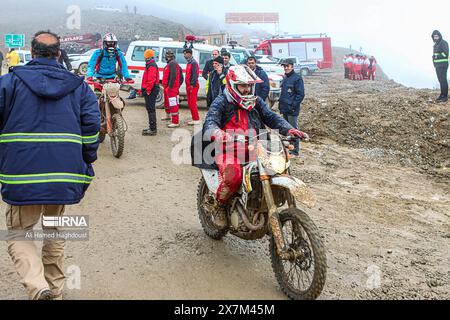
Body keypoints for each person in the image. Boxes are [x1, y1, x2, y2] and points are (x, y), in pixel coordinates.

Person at [0, 30, 100, 300]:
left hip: (21, 177)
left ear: (32, 54)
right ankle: (54, 289)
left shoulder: (8, 83)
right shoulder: (79, 87)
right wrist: (87, 159)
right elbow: (92, 128)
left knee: (19, 233)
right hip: (62, 176)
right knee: (54, 228)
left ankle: (37, 285)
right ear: (58, 54)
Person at [192, 65, 308, 228]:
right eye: (243, 85)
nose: (247, 90)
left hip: (254, 147)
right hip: (227, 149)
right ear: (232, 85)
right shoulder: (222, 102)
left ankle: (260, 204)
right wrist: (219, 133)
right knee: (234, 176)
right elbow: (210, 122)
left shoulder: (256, 101)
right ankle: (218, 206)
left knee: (277, 168)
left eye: (249, 85)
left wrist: (289, 128)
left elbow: (270, 117)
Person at [279, 58, 305, 158]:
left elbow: (300, 94)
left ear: (292, 66)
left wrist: (293, 106)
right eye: (284, 66)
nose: (285, 68)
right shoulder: (285, 78)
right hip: (285, 108)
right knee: (287, 130)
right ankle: (289, 149)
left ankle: (295, 151)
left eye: (287, 66)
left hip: (292, 110)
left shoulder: (297, 78)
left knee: (294, 130)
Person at [162, 50, 184, 128]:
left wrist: (170, 87)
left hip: (171, 88)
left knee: (173, 104)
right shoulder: (171, 64)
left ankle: (175, 121)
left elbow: (174, 76)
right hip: (169, 88)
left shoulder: (172, 64)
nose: (166, 57)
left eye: (167, 56)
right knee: (168, 103)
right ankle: (168, 116)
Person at [141, 49, 160, 136]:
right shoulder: (150, 64)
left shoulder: (151, 65)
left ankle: (152, 129)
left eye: (145, 56)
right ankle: (152, 127)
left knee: (151, 108)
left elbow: (151, 79)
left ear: (147, 57)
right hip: (151, 89)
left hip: (151, 90)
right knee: (150, 108)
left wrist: (148, 90)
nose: (144, 58)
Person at [183, 48, 201, 125]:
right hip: (189, 86)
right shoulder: (189, 63)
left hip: (192, 86)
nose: (184, 55)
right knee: (190, 103)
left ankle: (196, 119)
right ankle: (194, 118)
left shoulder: (194, 63)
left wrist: (192, 85)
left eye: (185, 53)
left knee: (192, 103)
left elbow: (195, 75)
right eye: (184, 54)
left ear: (190, 54)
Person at [432, 30, 449, 103]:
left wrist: (437, 56)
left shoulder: (443, 43)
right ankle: (442, 94)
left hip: (443, 65)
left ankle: (445, 96)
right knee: (440, 81)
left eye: (437, 36)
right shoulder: (436, 45)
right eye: (434, 36)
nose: (435, 38)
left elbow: (446, 54)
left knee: (443, 80)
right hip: (437, 66)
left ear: (439, 36)